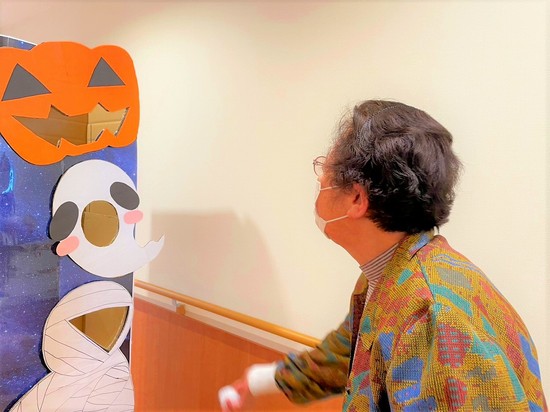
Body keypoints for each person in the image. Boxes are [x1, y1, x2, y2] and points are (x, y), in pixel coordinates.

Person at [218, 100, 547, 411]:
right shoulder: (391, 274)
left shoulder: (431, 313)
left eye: (324, 169)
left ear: (357, 198)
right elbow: (346, 353)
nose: (319, 179)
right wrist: (258, 381)